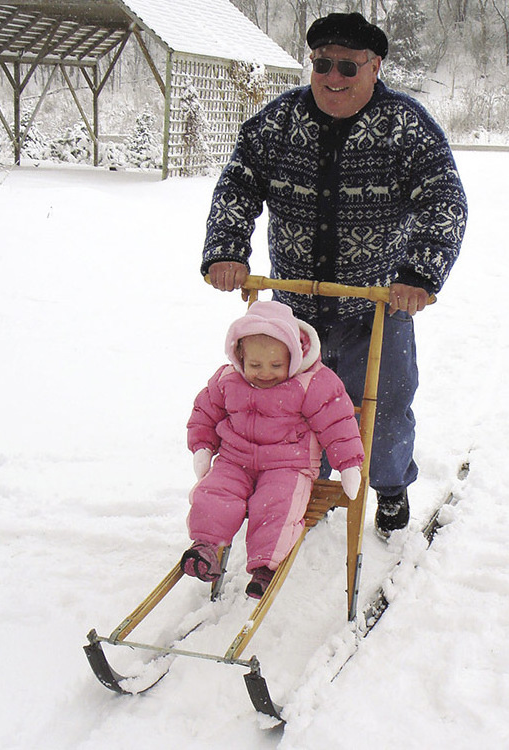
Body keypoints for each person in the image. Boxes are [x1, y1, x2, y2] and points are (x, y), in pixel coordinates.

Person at [201, 12, 467, 538]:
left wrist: (420, 273)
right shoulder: (277, 123)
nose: (334, 77)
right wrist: (226, 249)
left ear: (375, 67)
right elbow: (238, 183)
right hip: (293, 313)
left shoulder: (406, 125)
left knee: (385, 409)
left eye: (348, 65)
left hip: (376, 305)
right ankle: (307, 480)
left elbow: (445, 198)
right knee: (292, 412)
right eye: (322, 64)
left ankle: (390, 489)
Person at [181, 300, 364, 599]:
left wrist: (348, 464)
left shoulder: (312, 383)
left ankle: (266, 566)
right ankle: (204, 546)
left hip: (287, 465)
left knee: (277, 505)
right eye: (255, 365)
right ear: (240, 356)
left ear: (292, 357)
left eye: (276, 365)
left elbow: (338, 424)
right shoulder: (228, 378)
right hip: (235, 460)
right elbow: (205, 410)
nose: (265, 373)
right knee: (214, 492)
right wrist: (202, 445)